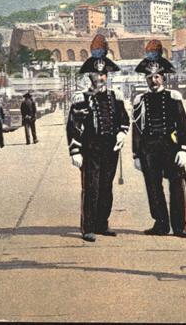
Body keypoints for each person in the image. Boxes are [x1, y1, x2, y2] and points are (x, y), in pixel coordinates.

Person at [66, 35, 130, 242]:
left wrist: (122, 133)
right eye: (96, 74)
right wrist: (75, 151)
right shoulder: (80, 98)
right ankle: (88, 227)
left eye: (103, 74)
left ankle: (103, 223)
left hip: (111, 149)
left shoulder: (115, 96)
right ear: (90, 76)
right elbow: (73, 126)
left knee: (106, 188)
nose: (100, 78)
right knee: (91, 187)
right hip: (90, 149)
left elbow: (124, 120)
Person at [133, 39, 186, 238]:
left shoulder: (174, 97)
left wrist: (184, 149)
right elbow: (137, 129)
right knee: (153, 187)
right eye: (150, 78)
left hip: (170, 147)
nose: (154, 81)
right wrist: (136, 154)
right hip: (149, 150)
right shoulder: (140, 100)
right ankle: (160, 223)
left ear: (163, 78)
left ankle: (180, 226)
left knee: (176, 186)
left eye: (157, 77)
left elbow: (183, 125)